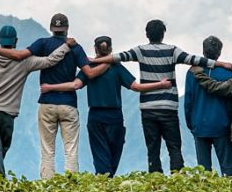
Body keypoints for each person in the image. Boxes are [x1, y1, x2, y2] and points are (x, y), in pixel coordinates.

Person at [90, 19, 232, 173]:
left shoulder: (140, 51)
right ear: (163, 34)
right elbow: (195, 59)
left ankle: (155, 180)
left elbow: (117, 57)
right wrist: (221, 64)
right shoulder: (172, 51)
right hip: (168, 108)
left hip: (148, 109)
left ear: (146, 34)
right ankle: (177, 177)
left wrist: (94, 60)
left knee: (153, 148)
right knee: (174, 147)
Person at [0, 13, 106, 178]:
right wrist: (108, 63)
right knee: (70, 149)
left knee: (47, 149)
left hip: (47, 104)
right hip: (68, 104)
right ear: (66, 29)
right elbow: (90, 73)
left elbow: (19, 55)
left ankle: (47, 184)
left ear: (52, 28)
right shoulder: (75, 48)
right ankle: (71, 186)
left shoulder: (42, 43)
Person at [41, 35, 175, 175]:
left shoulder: (89, 68)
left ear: (95, 49)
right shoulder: (117, 67)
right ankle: (108, 179)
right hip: (115, 116)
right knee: (114, 153)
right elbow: (136, 87)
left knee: (100, 154)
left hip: (95, 116)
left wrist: (50, 87)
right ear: (110, 48)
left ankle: (103, 180)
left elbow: (75, 85)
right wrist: (161, 85)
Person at [0, 25, 70, 176]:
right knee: (1, 147)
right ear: (16, 41)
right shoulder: (26, 62)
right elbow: (50, 61)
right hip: (8, 112)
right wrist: (66, 46)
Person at [184, 35, 232, 176]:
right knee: (227, 169)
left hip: (199, 125)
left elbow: (188, 101)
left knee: (204, 170)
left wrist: (191, 123)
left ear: (203, 51)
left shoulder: (192, 73)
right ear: (219, 52)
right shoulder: (228, 73)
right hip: (222, 125)